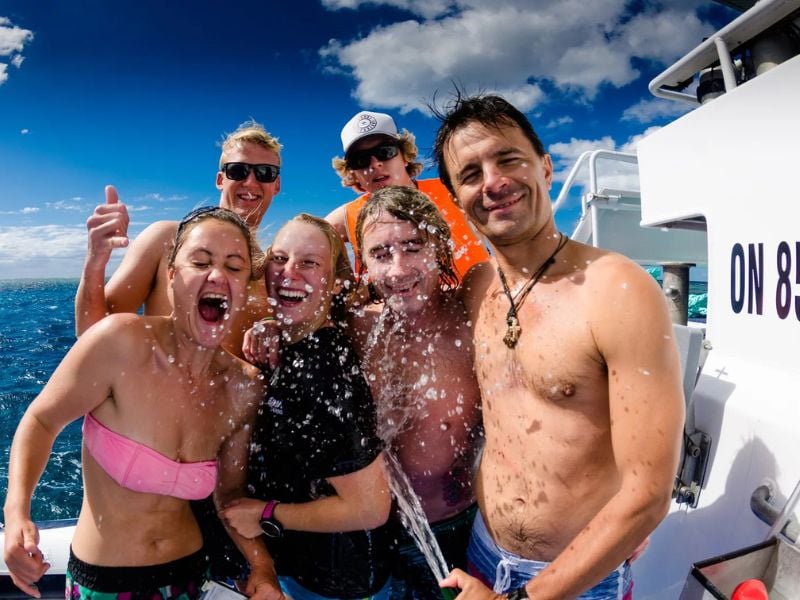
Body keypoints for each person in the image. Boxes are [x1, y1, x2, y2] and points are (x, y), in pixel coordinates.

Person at [431, 94, 685, 599]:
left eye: (508, 159)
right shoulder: (475, 287)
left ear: (546, 168)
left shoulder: (618, 291)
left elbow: (648, 493)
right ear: (457, 198)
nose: (493, 182)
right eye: (471, 174)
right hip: (480, 555)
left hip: (578, 580)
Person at [3, 208, 284, 600]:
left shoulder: (243, 386)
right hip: (103, 584)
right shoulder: (120, 343)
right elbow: (41, 421)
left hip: (190, 577)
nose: (217, 276)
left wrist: (263, 568)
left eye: (234, 267)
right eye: (200, 262)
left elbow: (230, 497)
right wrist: (16, 513)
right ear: (171, 276)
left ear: (245, 287)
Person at [222, 214, 393, 600]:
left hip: (335, 585)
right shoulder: (295, 342)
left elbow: (370, 507)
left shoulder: (324, 370)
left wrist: (264, 513)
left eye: (309, 263)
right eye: (279, 259)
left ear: (334, 284)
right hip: (304, 571)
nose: (289, 273)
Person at [351, 185, 484, 599]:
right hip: (374, 535)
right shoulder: (356, 325)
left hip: (459, 527)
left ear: (440, 248)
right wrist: (268, 330)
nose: (398, 270)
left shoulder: (472, 318)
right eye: (380, 254)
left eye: (413, 247)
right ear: (364, 265)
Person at [74, 120, 282, 356]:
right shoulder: (165, 240)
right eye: (238, 170)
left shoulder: (272, 272)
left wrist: (273, 327)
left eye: (265, 173)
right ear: (220, 180)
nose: (251, 182)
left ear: (276, 185)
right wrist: (95, 260)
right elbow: (91, 335)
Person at [325, 110, 488, 281]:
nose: (375, 164)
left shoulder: (453, 190)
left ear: (404, 156)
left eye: (385, 152)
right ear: (353, 173)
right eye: (361, 160)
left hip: (479, 296)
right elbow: (307, 240)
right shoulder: (348, 217)